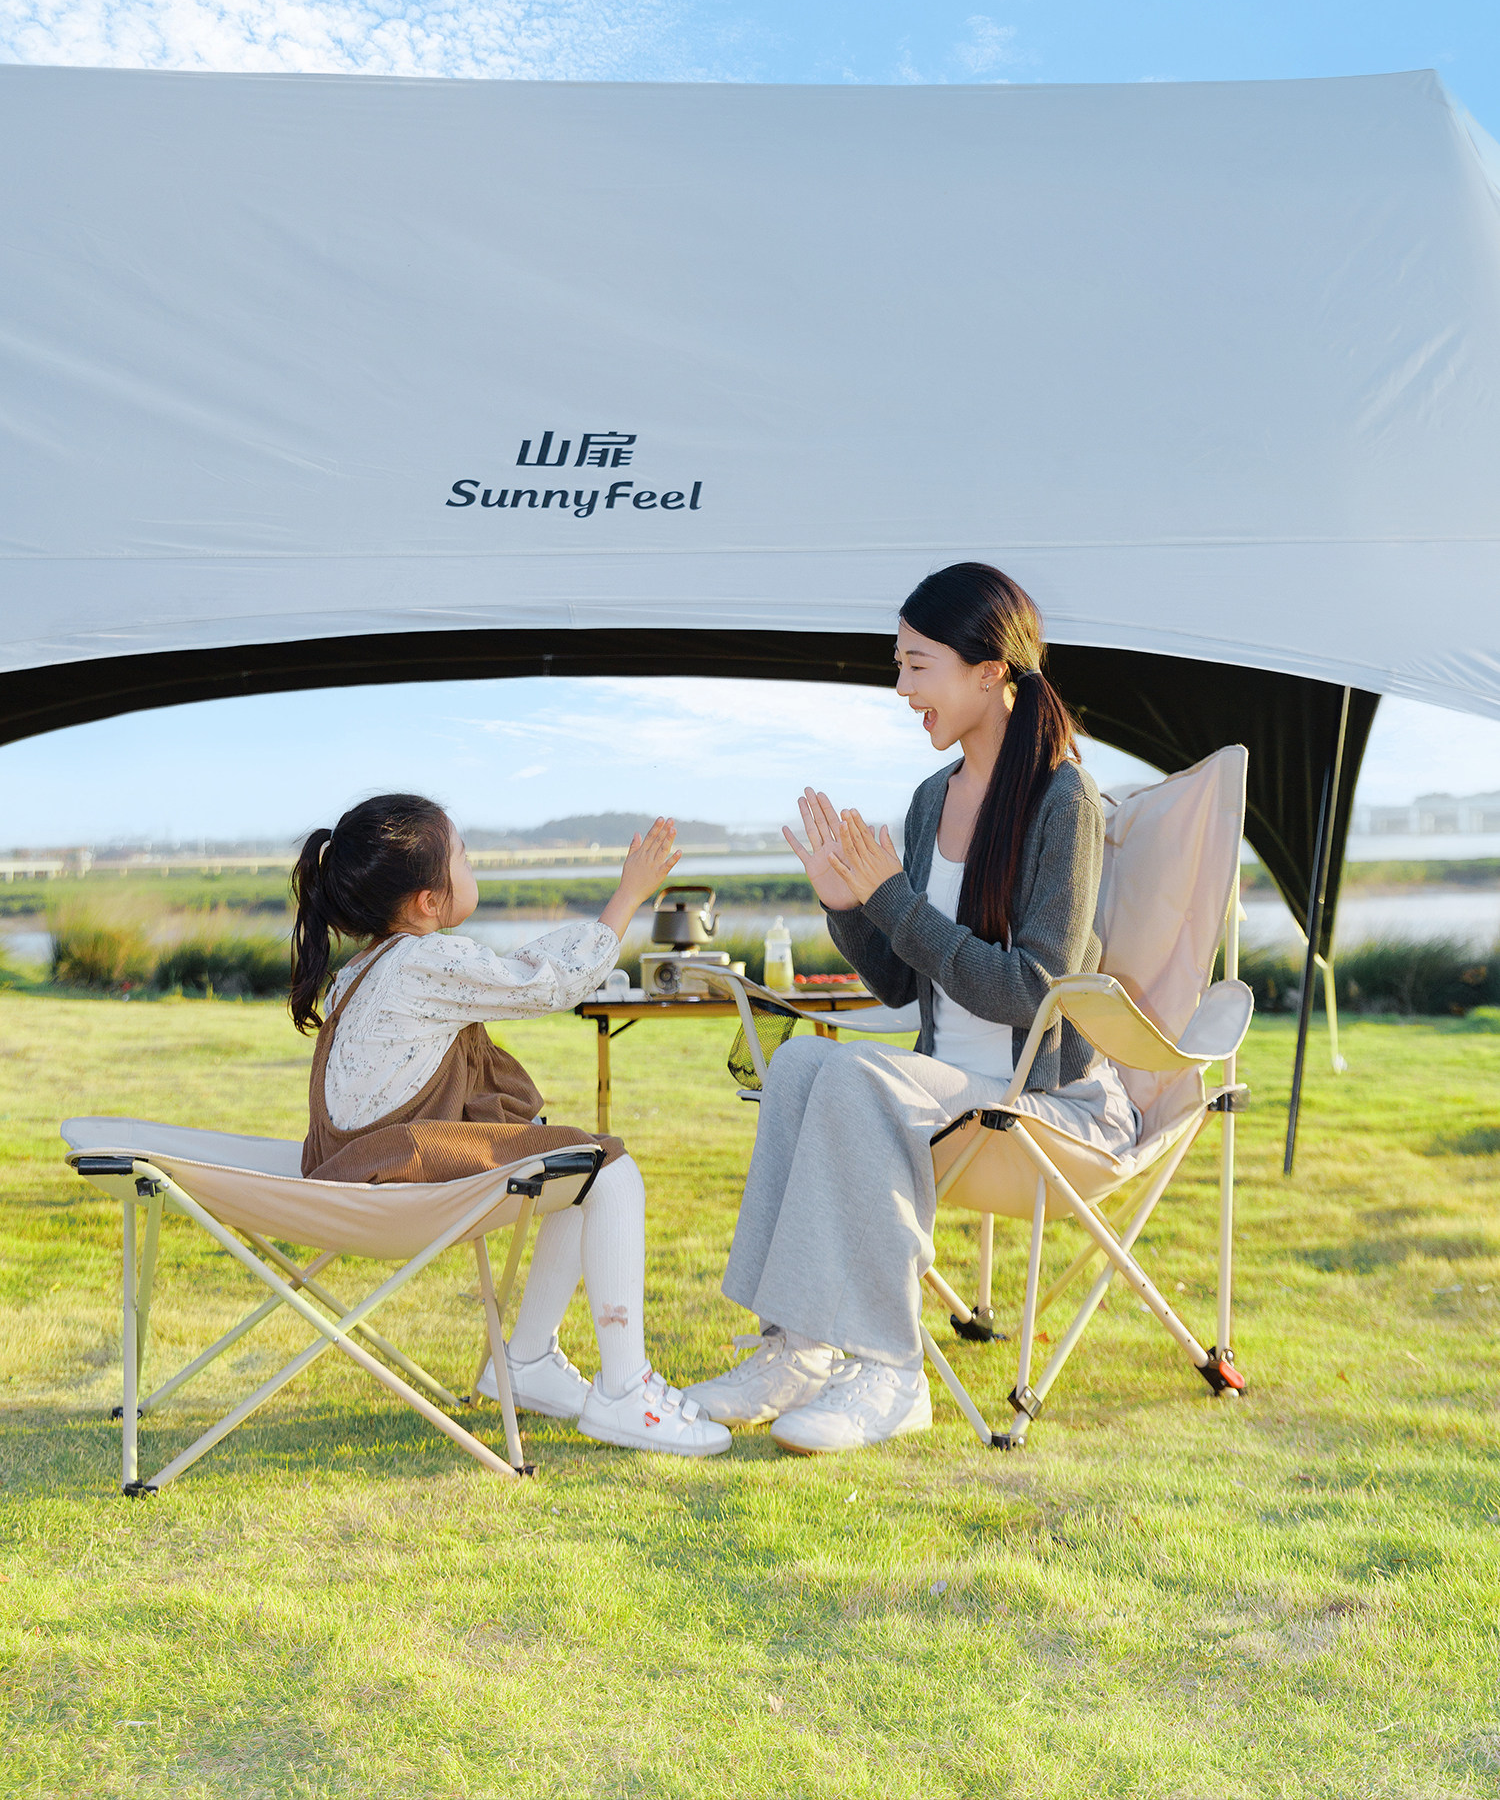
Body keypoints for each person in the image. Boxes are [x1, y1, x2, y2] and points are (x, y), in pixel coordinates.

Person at [689, 563, 1138, 1455]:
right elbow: (903, 982)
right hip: (949, 1086)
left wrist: (892, 897)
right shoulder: (932, 800)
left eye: (917, 664)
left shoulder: (1064, 800)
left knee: (857, 1073)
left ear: (989, 669)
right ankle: (797, 1350)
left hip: (1044, 1100)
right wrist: (848, 906)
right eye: (899, 664)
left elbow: (1034, 989)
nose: (901, 687)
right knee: (800, 1060)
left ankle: (892, 1371)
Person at [289, 793, 729, 1459]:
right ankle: (624, 1390)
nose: (473, 863)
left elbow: (512, 973)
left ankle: (525, 1361)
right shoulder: (418, 961)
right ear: (428, 902)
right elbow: (549, 982)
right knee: (609, 1167)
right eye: (463, 856)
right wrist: (629, 896)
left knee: (573, 1170)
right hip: (394, 1172)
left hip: (359, 1170)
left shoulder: (363, 968)